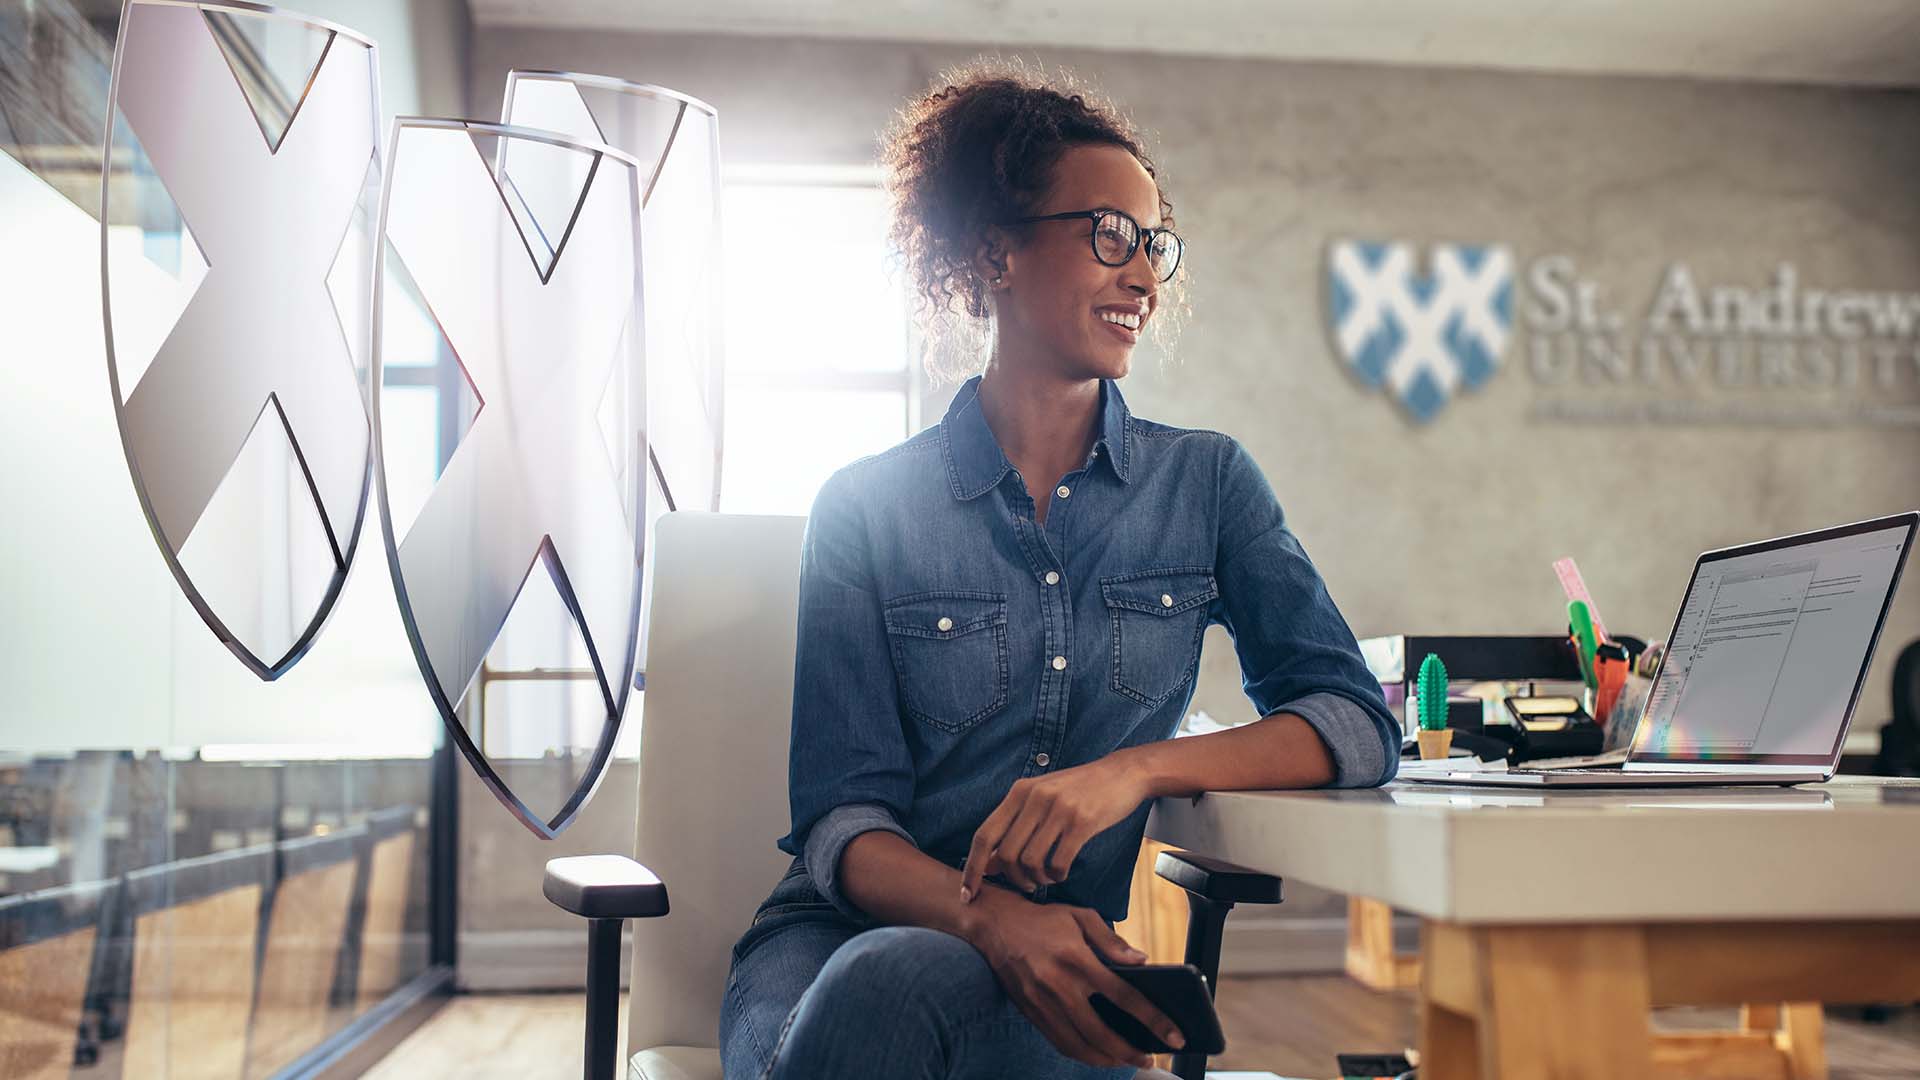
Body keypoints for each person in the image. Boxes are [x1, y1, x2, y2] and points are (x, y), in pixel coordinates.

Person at [719, 60, 1399, 1080]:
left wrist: (1132, 772)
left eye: (1154, 244)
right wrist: (985, 917)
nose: (1142, 275)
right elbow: (842, 825)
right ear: (996, 254)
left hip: (1058, 960)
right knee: (882, 986)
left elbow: (1353, 722)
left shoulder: (1207, 484)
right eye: (1108, 235)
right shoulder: (863, 506)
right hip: (833, 946)